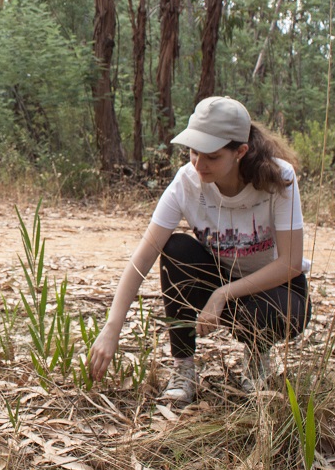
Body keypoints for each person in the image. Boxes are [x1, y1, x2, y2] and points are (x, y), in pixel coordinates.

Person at [88, 96, 312, 403]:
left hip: (273, 290)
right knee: (175, 247)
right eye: (194, 152)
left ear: (240, 152)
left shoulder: (278, 178)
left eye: (212, 156)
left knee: (273, 313)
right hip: (217, 275)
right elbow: (143, 258)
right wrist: (112, 328)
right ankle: (183, 366)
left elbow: (290, 264)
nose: (199, 164)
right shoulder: (187, 182)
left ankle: (257, 356)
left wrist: (223, 295)